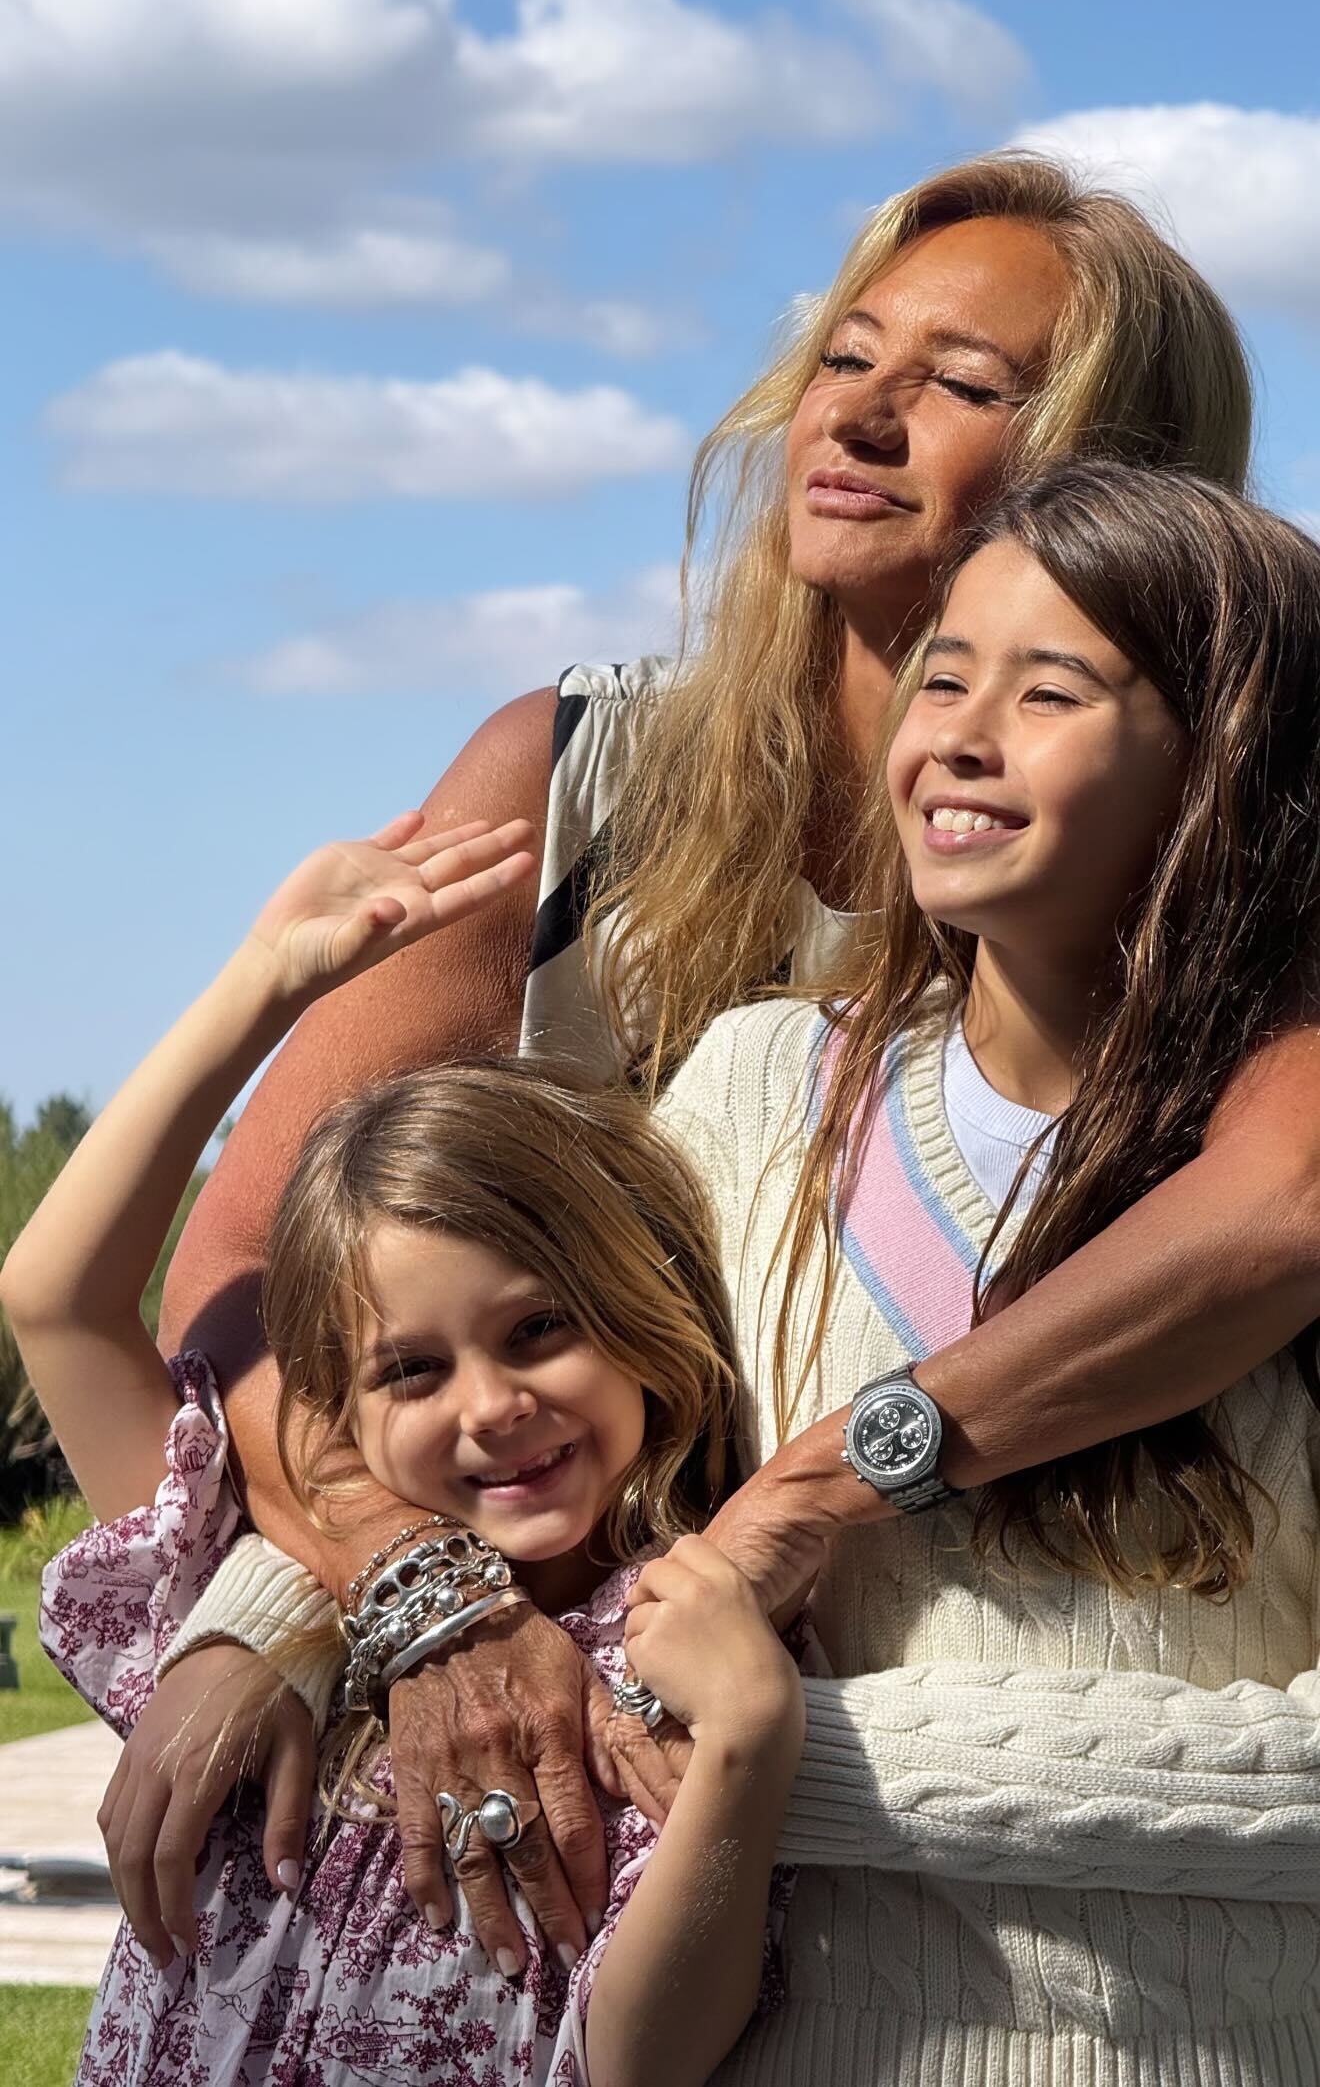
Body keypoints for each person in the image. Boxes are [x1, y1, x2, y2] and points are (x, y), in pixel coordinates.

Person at [120, 154, 1320, 1974]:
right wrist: (375, 1589)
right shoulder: (574, 779)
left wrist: (816, 1500)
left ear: (1119, 478)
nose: (862, 409)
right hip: (564, 1801)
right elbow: (253, 1273)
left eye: (962, 381)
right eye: (843, 354)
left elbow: (1280, 1202)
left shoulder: (1246, 897)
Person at [644, 458, 1320, 2082]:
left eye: (1051, 689)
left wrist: (783, 1760)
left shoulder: (1281, 1167)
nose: (957, 732)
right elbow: (540, 1488)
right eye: (943, 675)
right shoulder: (753, 1093)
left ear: (1226, 759)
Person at [3, 815, 805, 2087]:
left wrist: (749, 1745)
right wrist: (264, 981)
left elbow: (641, 2060)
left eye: (539, 1330)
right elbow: (56, 1299)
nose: (490, 1406)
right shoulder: (255, 1603)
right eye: (411, 1370)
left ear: (647, 1315)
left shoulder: (671, 1648)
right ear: (340, 1409)